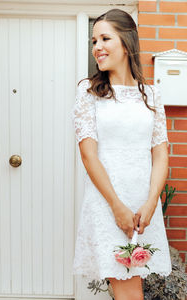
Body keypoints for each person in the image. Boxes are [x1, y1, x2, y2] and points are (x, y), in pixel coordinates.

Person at [71, 8, 172, 300]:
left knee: (132, 288)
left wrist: (152, 201)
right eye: (94, 41)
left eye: (104, 38)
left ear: (126, 43)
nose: (97, 48)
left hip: (144, 206)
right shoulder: (88, 92)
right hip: (108, 203)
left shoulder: (152, 96)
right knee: (127, 291)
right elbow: (89, 156)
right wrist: (116, 206)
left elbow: (160, 154)